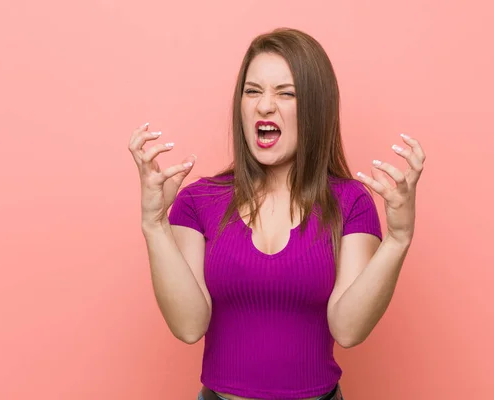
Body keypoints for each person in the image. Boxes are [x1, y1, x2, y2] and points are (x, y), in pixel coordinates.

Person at [128, 27, 426, 400]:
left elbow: (348, 330)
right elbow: (189, 326)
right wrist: (153, 224)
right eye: (252, 91)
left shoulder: (350, 202)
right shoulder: (197, 201)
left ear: (316, 107)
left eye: (286, 93)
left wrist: (398, 240)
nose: (264, 105)